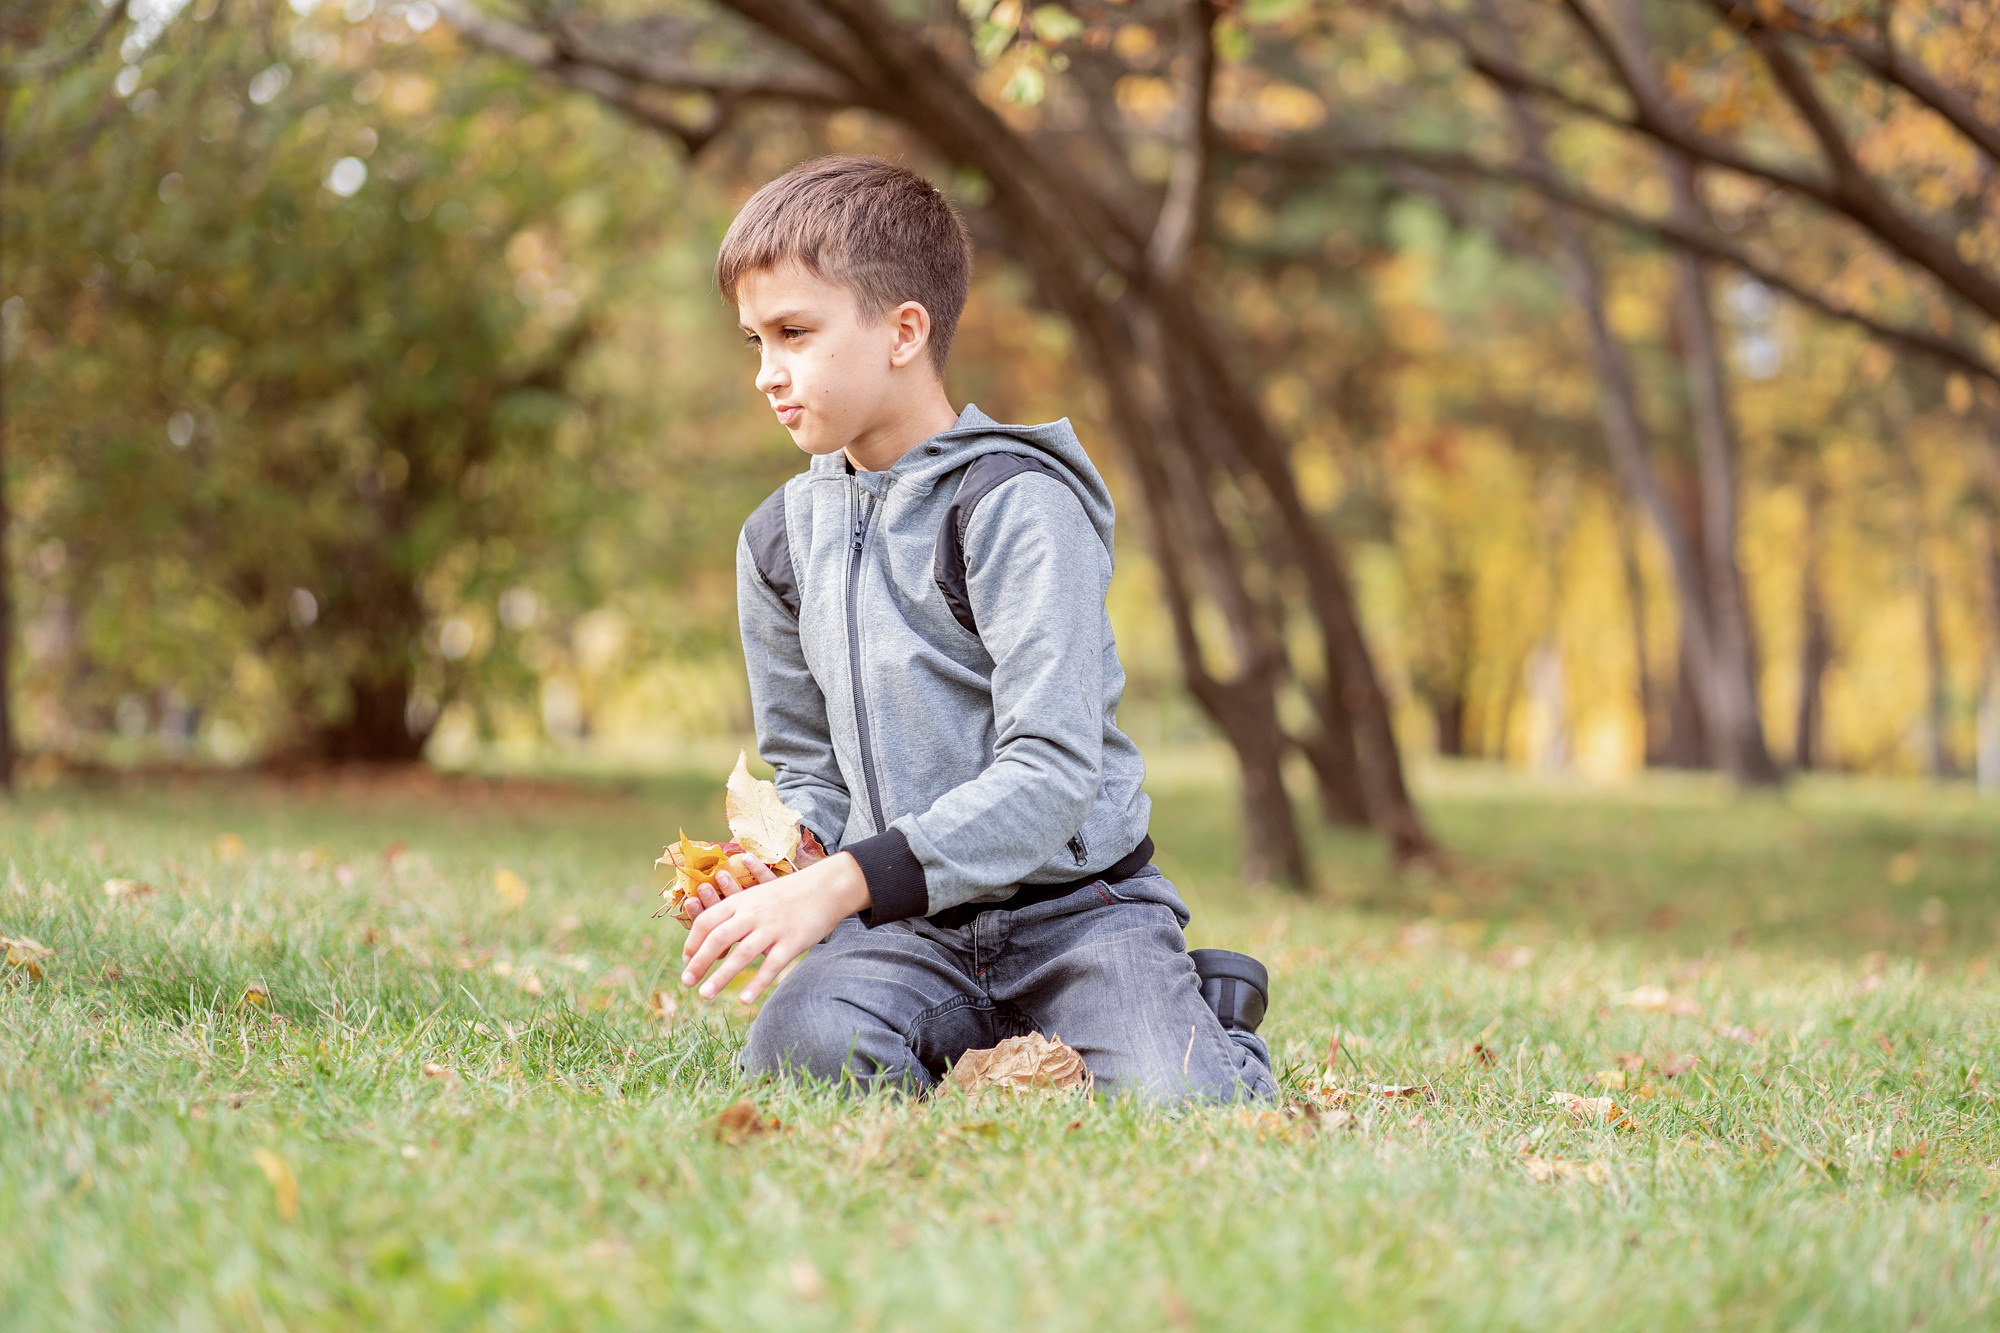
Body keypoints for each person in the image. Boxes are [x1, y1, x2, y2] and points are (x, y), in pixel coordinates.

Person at [676, 154, 1275, 1102]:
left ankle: (1209, 1016)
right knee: (800, 1054)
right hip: (905, 932)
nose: (766, 373)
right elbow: (812, 775)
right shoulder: (776, 541)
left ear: (904, 330)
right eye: (754, 339)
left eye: (794, 332)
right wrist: (785, 866)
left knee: (1182, 1103)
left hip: (1079, 912)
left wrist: (838, 887)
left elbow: (1050, 771)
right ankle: (981, 1043)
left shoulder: (1016, 505)